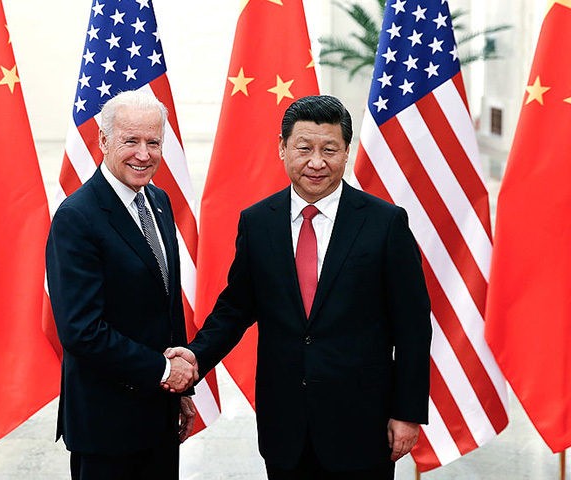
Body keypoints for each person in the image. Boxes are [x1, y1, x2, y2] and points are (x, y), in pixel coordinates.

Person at [166, 95, 432, 480]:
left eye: (330, 149)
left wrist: (407, 413)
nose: (316, 162)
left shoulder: (385, 224)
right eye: (304, 148)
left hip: (362, 424)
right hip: (285, 425)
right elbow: (236, 308)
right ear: (282, 147)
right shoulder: (258, 223)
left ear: (346, 152)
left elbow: (412, 327)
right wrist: (194, 358)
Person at [46, 90, 198, 480]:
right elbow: (81, 331)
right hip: (106, 427)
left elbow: (167, 303)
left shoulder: (159, 202)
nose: (144, 154)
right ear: (103, 140)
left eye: (153, 142)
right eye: (131, 141)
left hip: (158, 418)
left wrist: (180, 391)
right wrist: (165, 371)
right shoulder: (77, 217)